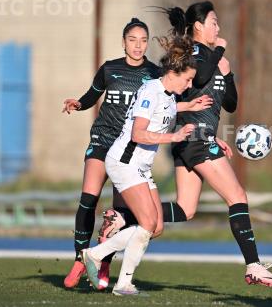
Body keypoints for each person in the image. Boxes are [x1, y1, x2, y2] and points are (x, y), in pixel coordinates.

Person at [99, 1, 272, 288]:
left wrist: (228, 72)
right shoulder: (196, 53)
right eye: (214, 22)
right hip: (196, 139)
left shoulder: (213, 58)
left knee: (186, 209)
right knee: (237, 196)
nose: (218, 27)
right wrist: (220, 53)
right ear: (198, 26)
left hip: (196, 141)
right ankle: (253, 265)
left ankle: (122, 217)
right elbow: (198, 76)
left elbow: (231, 103)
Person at [81, 35, 199, 295]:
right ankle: (123, 283)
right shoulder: (150, 90)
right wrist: (174, 137)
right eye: (188, 79)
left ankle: (96, 254)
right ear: (173, 72)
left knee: (155, 228)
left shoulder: (168, 95)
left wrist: (188, 105)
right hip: (125, 162)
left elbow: (167, 107)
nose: (190, 83)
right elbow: (138, 134)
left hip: (141, 166)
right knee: (146, 223)